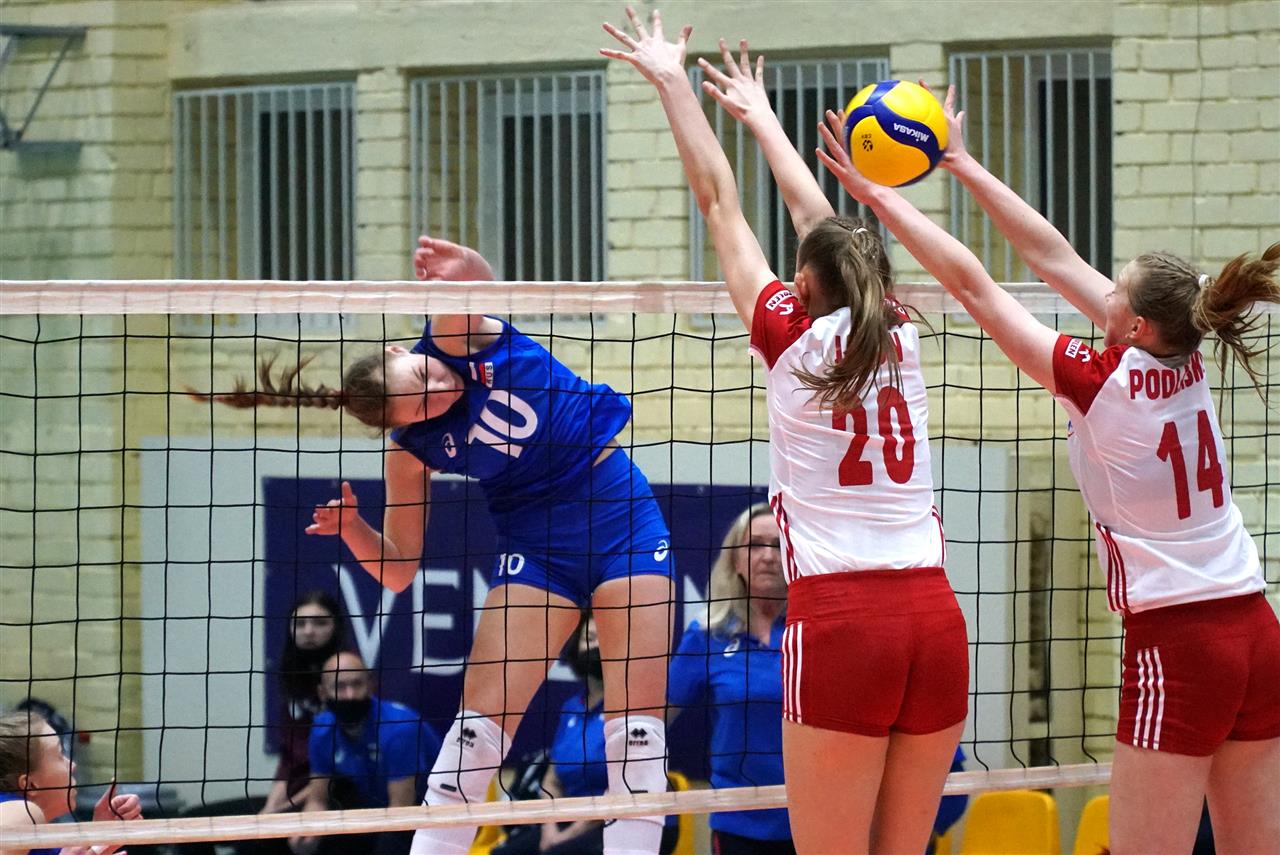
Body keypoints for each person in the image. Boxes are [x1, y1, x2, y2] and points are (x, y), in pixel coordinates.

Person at [815, 82, 1280, 855]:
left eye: (1115, 287)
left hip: (1181, 641)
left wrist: (877, 198)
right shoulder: (1187, 353)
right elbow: (1051, 254)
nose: (1103, 287)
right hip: (1257, 629)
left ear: (1133, 322)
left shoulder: (1103, 382)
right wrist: (960, 162)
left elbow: (975, 286)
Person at [602, 16, 968, 854]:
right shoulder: (898, 329)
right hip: (934, 617)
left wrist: (673, 81)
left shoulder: (790, 336)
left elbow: (718, 202)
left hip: (842, 621)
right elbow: (823, 229)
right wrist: (764, 119)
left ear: (801, 284)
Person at [197, 235, 676, 855]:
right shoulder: (409, 453)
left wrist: (459, 268)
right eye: (421, 406)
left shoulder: (452, 338)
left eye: (423, 377)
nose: (439, 391)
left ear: (403, 350)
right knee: (472, 743)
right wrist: (354, 530)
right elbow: (398, 570)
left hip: (620, 518)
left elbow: (478, 283)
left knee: (636, 741)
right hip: (537, 549)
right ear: (405, 425)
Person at [493, 615, 678, 855]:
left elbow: (622, 787)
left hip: (628, 818)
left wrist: (568, 836)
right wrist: (550, 829)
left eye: (604, 638)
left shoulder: (634, 706)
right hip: (571, 817)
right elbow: (551, 779)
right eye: (589, 638)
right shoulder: (571, 707)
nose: (595, 646)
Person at [667, 504, 792, 855]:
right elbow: (653, 719)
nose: (768, 557)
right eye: (755, 545)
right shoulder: (708, 635)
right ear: (735, 560)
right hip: (737, 819)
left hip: (815, 815)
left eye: (778, 545)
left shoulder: (815, 633)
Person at [291, 651, 441, 855]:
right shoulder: (322, 729)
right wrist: (308, 832)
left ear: (371, 685)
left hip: (424, 818)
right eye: (340, 687)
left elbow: (400, 812)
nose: (350, 695)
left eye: (357, 684)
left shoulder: (400, 728)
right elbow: (318, 799)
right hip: (371, 815)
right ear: (322, 693)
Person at [0, 709, 143, 855]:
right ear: (30, 785)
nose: (72, 765)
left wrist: (98, 834)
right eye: (59, 755)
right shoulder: (23, 812)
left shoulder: (38, 835)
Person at [264, 591, 346, 817]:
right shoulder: (291, 675)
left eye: (320, 623)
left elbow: (343, 765)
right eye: (300, 624)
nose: (309, 631)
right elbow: (289, 756)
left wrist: (281, 810)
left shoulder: (347, 675)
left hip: (339, 793)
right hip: (297, 789)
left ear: (336, 627)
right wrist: (269, 808)